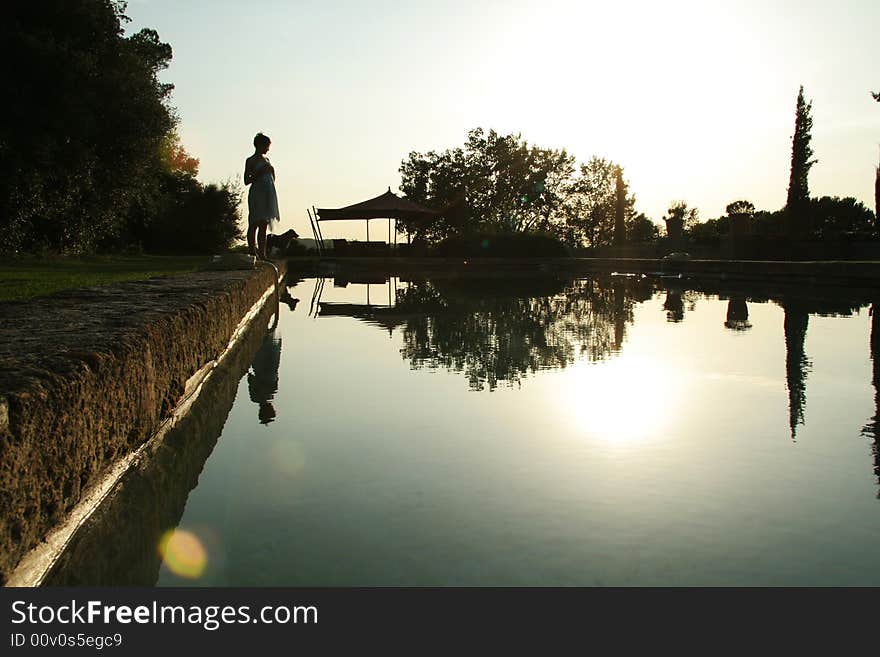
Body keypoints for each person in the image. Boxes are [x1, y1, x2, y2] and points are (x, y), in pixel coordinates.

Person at [243, 132, 280, 259]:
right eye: (266, 146)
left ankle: (262, 254)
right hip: (256, 194)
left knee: (264, 224)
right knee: (254, 223)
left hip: (267, 194)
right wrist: (259, 172)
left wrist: (272, 172)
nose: (268, 149)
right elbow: (246, 180)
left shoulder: (267, 160)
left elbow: (272, 178)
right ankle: (252, 252)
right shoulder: (250, 160)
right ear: (260, 145)